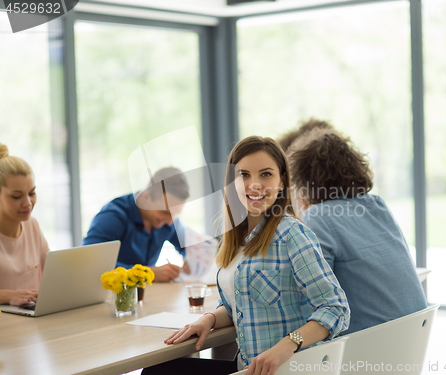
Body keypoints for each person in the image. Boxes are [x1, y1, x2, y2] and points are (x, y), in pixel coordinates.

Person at [143, 136, 350, 375]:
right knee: (159, 369)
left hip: (289, 369)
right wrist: (209, 319)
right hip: (248, 368)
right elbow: (239, 304)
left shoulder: (291, 234)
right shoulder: (234, 239)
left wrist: (287, 344)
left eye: (266, 174)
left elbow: (336, 308)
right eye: (244, 175)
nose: (254, 184)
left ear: (282, 181)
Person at [286, 122, 427, 335]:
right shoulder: (377, 205)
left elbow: (305, 291)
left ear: (304, 181)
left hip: (366, 348)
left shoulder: (319, 215)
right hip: (413, 341)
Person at [82, 167, 190, 282]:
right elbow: (89, 263)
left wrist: (190, 260)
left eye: (175, 214)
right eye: (164, 212)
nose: (170, 222)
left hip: (149, 295)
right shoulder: (112, 217)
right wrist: (146, 273)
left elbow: (189, 247)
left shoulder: (168, 220)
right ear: (146, 197)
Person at [0, 143, 50, 306]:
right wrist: (8, 296)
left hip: (32, 320)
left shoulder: (32, 225)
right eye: (16, 196)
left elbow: (54, 275)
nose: (28, 203)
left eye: (32, 193)